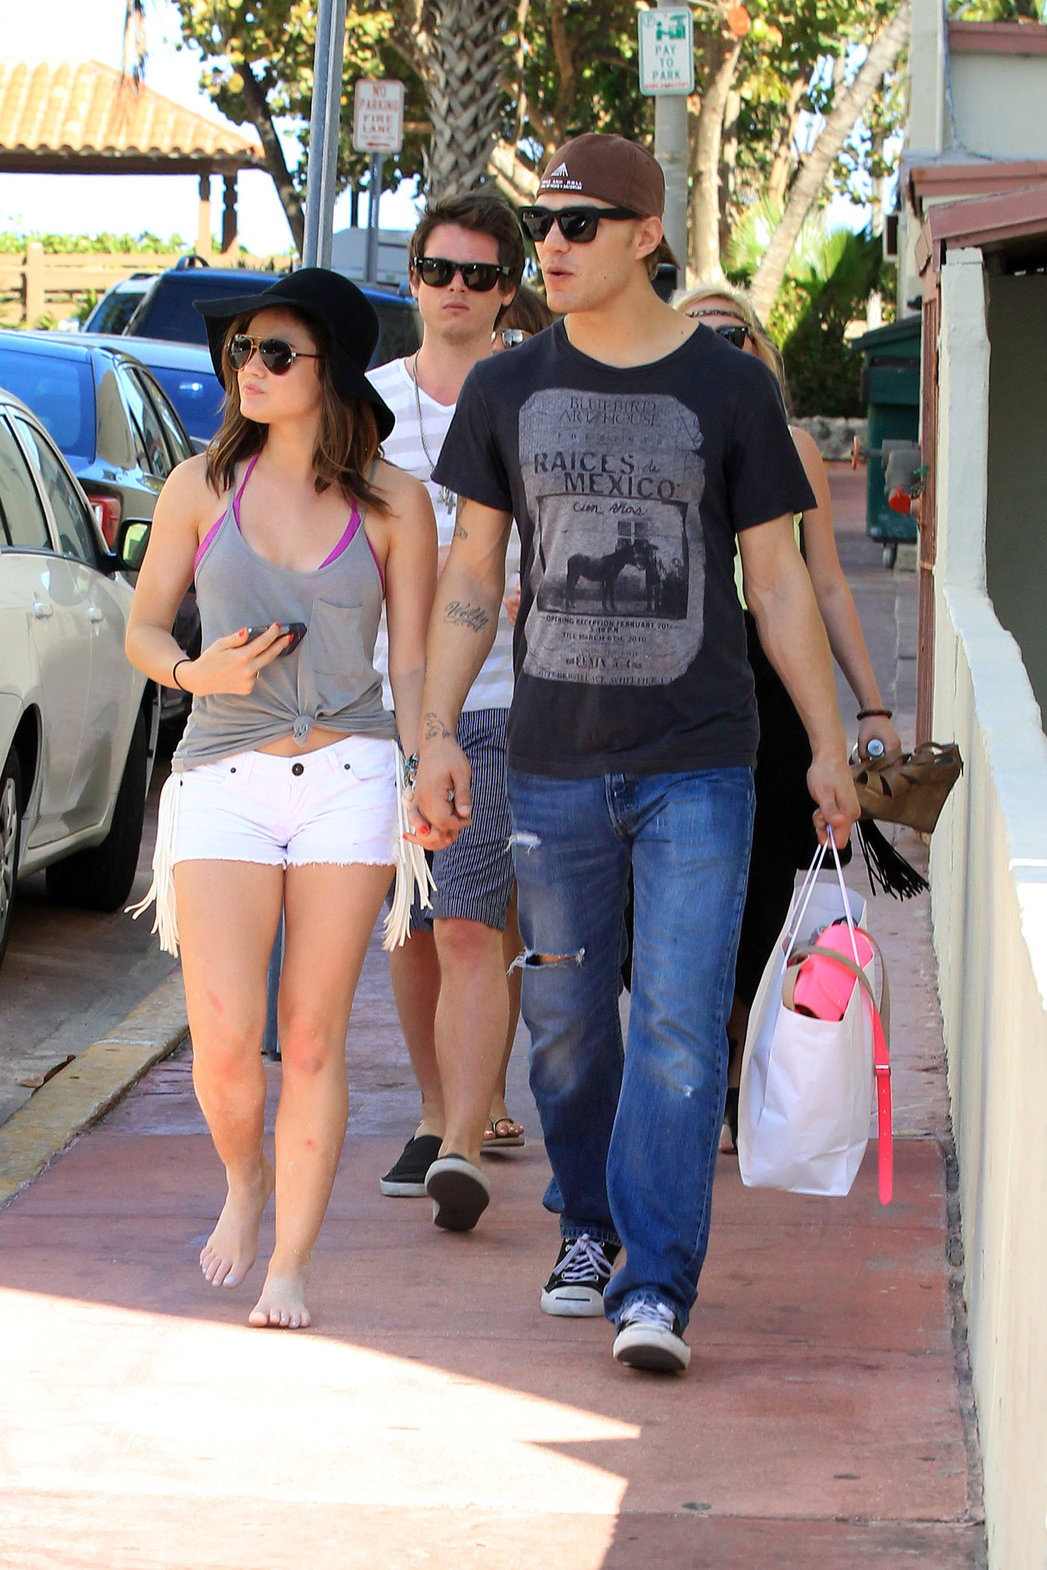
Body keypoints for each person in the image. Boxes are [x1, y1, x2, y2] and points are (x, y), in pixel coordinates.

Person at [412, 132, 860, 1375]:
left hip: (701, 761)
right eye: (539, 225)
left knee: (674, 1026)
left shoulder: (729, 389)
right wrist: (438, 733)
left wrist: (831, 746)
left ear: (645, 235)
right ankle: (588, 1219)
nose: (547, 247)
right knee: (563, 1020)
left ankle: (654, 1282)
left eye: (577, 225)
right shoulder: (506, 390)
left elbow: (776, 581)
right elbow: (469, 578)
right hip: (552, 759)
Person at [125, 269, 436, 1329]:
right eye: (240, 351)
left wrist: (436, 757)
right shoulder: (197, 488)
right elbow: (144, 630)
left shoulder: (394, 503)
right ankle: (244, 1180)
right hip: (220, 775)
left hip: (350, 773)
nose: (247, 368)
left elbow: (423, 666)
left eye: (273, 352)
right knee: (223, 1040)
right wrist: (190, 673)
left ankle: (291, 1259)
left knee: (310, 1037)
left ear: (329, 373)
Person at [674, 282, 902, 1150]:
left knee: (764, 881)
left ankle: (735, 1067)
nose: (720, 349)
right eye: (698, 334)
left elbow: (824, 585)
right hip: (676, 680)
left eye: (735, 336)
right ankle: (697, 1053)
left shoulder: (792, 443)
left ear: (761, 350)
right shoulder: (656, 424)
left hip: (769, 680)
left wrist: (865, 709)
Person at [369, 192, 529, 1228]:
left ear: (508, 288)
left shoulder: (535, 392)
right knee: (410, 928)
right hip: (378, 703)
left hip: (500, 696)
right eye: (439, 271)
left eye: (478, 274)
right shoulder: (369, 404)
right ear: (413, 279)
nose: (457, 290)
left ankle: (464, 1138)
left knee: (472, 922)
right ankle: (436, 1112)